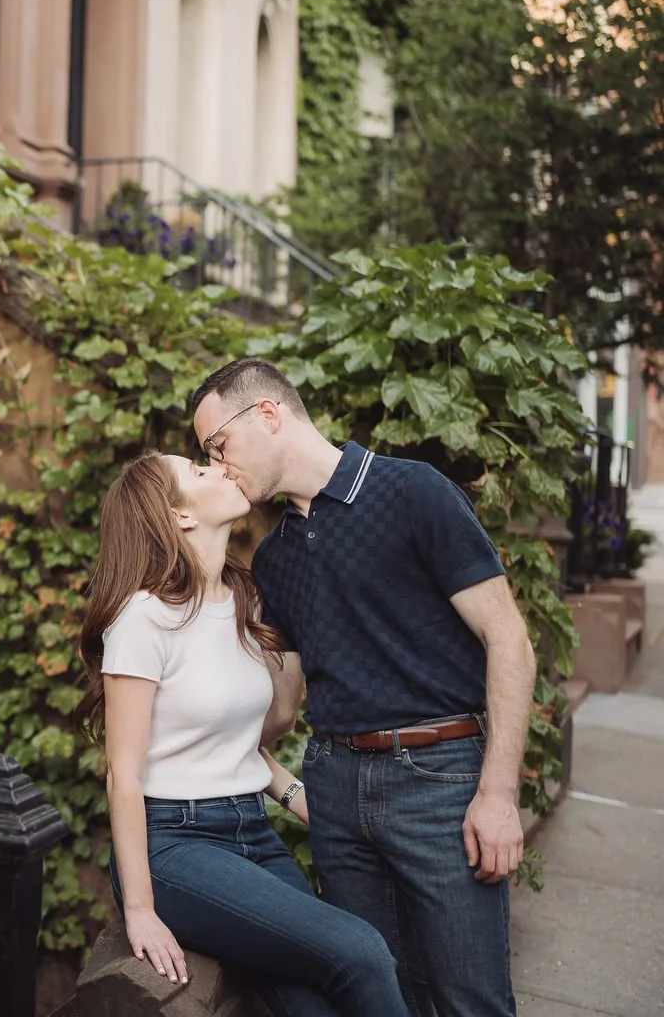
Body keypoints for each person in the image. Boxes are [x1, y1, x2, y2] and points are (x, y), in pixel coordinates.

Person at [190, 358, 536, 1017]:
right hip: (334, 789)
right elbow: (284, 708)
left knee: (473, 1001)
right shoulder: (274, 557)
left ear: (267, 413)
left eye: (218, 445)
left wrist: (497, 792)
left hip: (439, 782)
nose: (218, 463)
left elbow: (508, 641)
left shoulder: (414, 493)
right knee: (378, 999)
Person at [80, 451, 409, 1017]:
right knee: (362, 951)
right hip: (176, 846)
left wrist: (295, 797)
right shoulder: (142, 620)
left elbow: (229, 743)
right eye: (200, 473)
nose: (221, 469)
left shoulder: (243, 601)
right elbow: (124, 775)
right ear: (178, 515)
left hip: (252, 833)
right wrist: (139, 907)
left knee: (312, 1003)